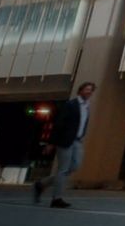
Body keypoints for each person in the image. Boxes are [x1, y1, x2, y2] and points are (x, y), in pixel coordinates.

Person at [32, 81, 94, 209]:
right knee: (63, 169)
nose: (89, 92)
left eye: (91, 90)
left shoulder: (87, 106)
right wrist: (51, 142)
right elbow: (59, 124)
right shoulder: (71, 105)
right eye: (87, 89)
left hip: (77, 140)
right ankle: (57, 199)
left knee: (74, 166)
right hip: (65, 140)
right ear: (80, 90)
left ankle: (42, 184)